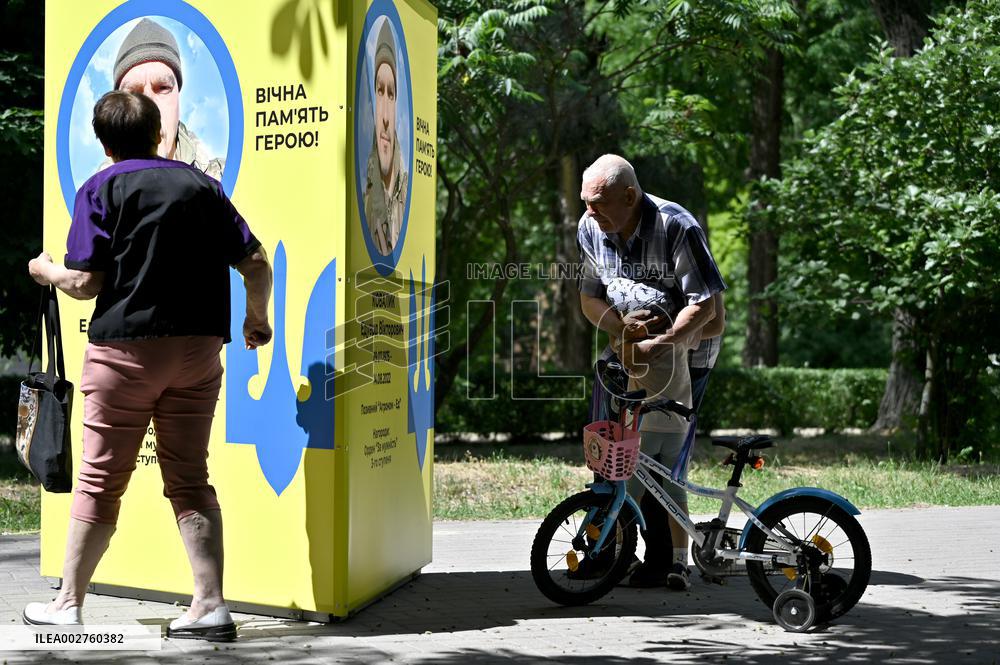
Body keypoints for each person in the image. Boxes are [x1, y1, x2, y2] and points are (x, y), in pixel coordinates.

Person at [24, 91, 272, 642]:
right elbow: (255, 263)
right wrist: (257, 319)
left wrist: (46, 272)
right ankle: (210, 606)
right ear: (160, 133)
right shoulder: (203, 186)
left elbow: (87, 283)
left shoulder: (101, 188)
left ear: (104, 141)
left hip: (127, 355)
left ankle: (68, 604)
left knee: (100, 479)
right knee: (189, 478)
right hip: (199, 352)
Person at [577, 154, 726, 590]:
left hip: (684, 357)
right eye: (586, 202)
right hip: (626, 357)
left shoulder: (677, 226)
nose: (590, 212)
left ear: (630, 195)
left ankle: (664, 560)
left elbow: (708, 310)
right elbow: (589, 299)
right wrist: (620, 332)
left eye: (599, 202)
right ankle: (610, 553)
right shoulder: (590, 227)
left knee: (662, 462)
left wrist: (661, 344)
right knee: (616, 453)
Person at [99, 18, 224, 179]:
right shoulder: (92, 199)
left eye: (163, 88)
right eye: (133, 94)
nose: (149, 106)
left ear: (178, 99)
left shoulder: (226, 185)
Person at [363, 19, 408, 256]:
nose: (386, 118)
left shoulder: (407, 191)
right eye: (379, 91)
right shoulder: (365, 200)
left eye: (391, 94)